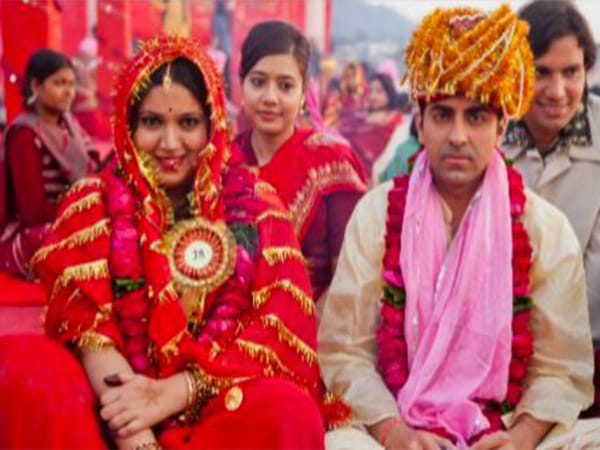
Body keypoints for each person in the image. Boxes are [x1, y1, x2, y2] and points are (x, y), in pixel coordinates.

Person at [0, 36, 347, 449]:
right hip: (113, 409)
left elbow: (276, 332)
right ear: (128, 125)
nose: (169, 144)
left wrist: (176, 392)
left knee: (290, 409)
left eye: (187, 123)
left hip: (218, 401)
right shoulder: (93, 205)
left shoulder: (258, 207)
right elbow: (90, 333)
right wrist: (137, 434)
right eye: (152, 122)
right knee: (24, 367)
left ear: (212, 124)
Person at [318, 5, 599, 449]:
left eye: (477, 117)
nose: (458, 136)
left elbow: (560, 370)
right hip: (398, 424)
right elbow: (346, 353)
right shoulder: (376, 215)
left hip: (507, 428)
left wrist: (519, 437)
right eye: (443, 114)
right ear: (420, 122)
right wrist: (396, 434)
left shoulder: (544, 228)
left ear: (502, 126)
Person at [503, 0, 600, 413]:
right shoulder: (486, 136)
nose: (558, 91)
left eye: (571, 72)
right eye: (541, 72)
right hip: (498, 358)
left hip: (589, 357)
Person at [232, 21, 367, 303]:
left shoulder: (333, 163)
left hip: (317, 324)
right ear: (242, 84)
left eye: (285, 86)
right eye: (258, 82)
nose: (270, 98)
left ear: (304, 93)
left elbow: (350, 282)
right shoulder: (224, 161)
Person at [0, 48, 95, 279]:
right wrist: (81, 213)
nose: (69, 92)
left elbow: (93, 171)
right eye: (59, 83)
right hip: (33, 234)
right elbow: (33, 213)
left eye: (71, 84)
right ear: (35, 86)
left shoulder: (70, 125)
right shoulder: (24, 134)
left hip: (72, 219)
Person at [339, 73, 404, 179]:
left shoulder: (396, 119)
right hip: (353, 174)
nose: (373, 96)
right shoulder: (359, 117)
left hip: (383, 177)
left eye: (379, 91)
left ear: (389, 92)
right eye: (370, 91)